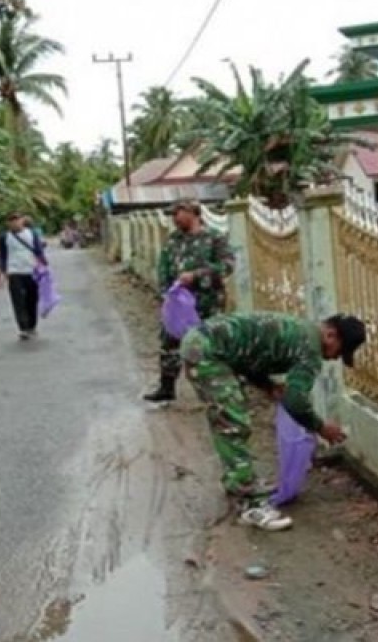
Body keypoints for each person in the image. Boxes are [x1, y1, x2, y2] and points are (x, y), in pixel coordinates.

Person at [180, 311, 366, 531]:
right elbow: (295, 400)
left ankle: (239, 484)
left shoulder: (300, 330)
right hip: (208, 352)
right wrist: (321, 427)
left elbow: (250, 353)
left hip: (205, 343)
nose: (335, 358)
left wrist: (267, 385)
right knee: (232, 424)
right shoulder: (311, 350)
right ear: (330, 335)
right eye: (340, 351)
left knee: (231, 416)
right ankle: (250, 504)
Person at [144, 199, 234, 409]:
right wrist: (165, 291)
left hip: (207, 302)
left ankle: (217, 392)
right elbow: (164, 265)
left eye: (178, 213)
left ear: (193, 212)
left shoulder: (214, 238)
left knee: (209, 346)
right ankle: (166, 388)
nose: (174, 219)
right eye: (172, 215)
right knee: (169, 343)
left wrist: (197, 275)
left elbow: (227, 266)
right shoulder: (174, 240)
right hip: (178, 303)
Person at [0, 212, 47, 340]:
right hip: (14, 272)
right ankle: (23, 327)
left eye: (17, 219)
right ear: (8, 223)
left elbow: (38, 251)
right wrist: (3, 272)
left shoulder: (32, 234)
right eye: (12, 220)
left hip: (31, 271)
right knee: (18, 300)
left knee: (32, 299)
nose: (15, 222)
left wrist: (44, 266)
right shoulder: (4, 237)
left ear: (22, 220)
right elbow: (3, 256)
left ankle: (32, 325)